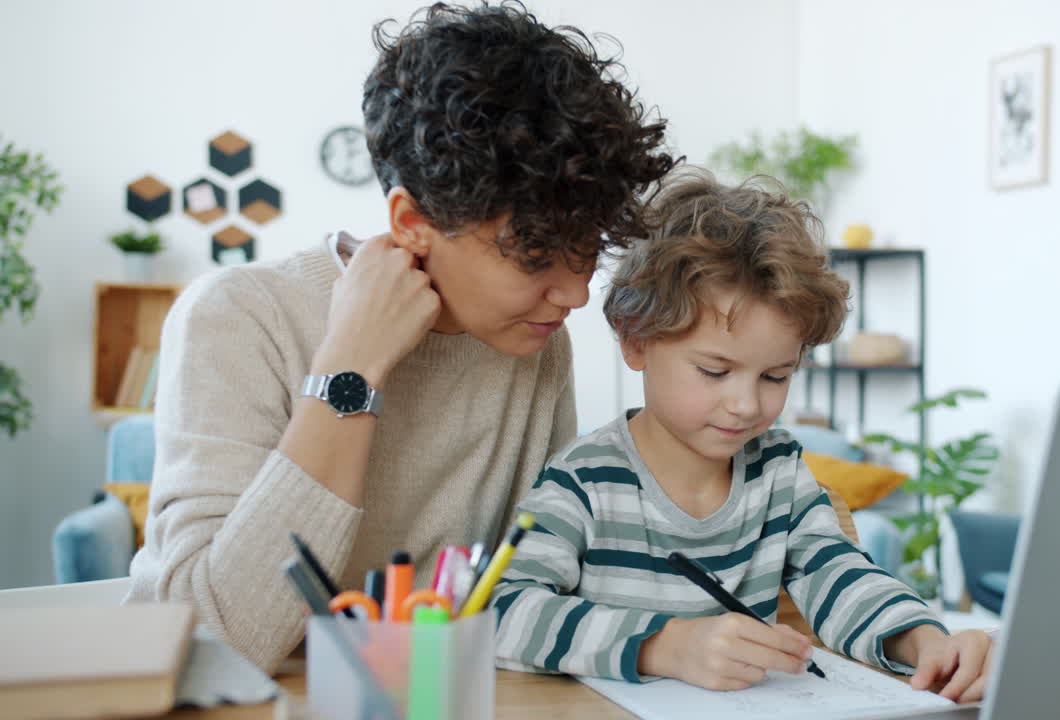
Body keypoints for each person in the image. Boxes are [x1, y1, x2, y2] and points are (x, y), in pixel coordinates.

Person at [125, 1, 674, 672]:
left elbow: (531, 590)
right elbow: (214, 639)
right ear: (412, 221)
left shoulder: (534, 342)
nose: (576, 294)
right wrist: (352, 365)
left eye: (586, 250)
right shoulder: (239, 316)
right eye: (535, 256)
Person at [492, 171, 994, 701]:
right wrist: (665, 646)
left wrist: (926, 642)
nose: (747, 405)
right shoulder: (585, 478)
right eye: (715, 371)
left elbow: (838, 574)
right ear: (636, 341)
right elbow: (501, 611)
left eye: (775, 376)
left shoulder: (777, 471)